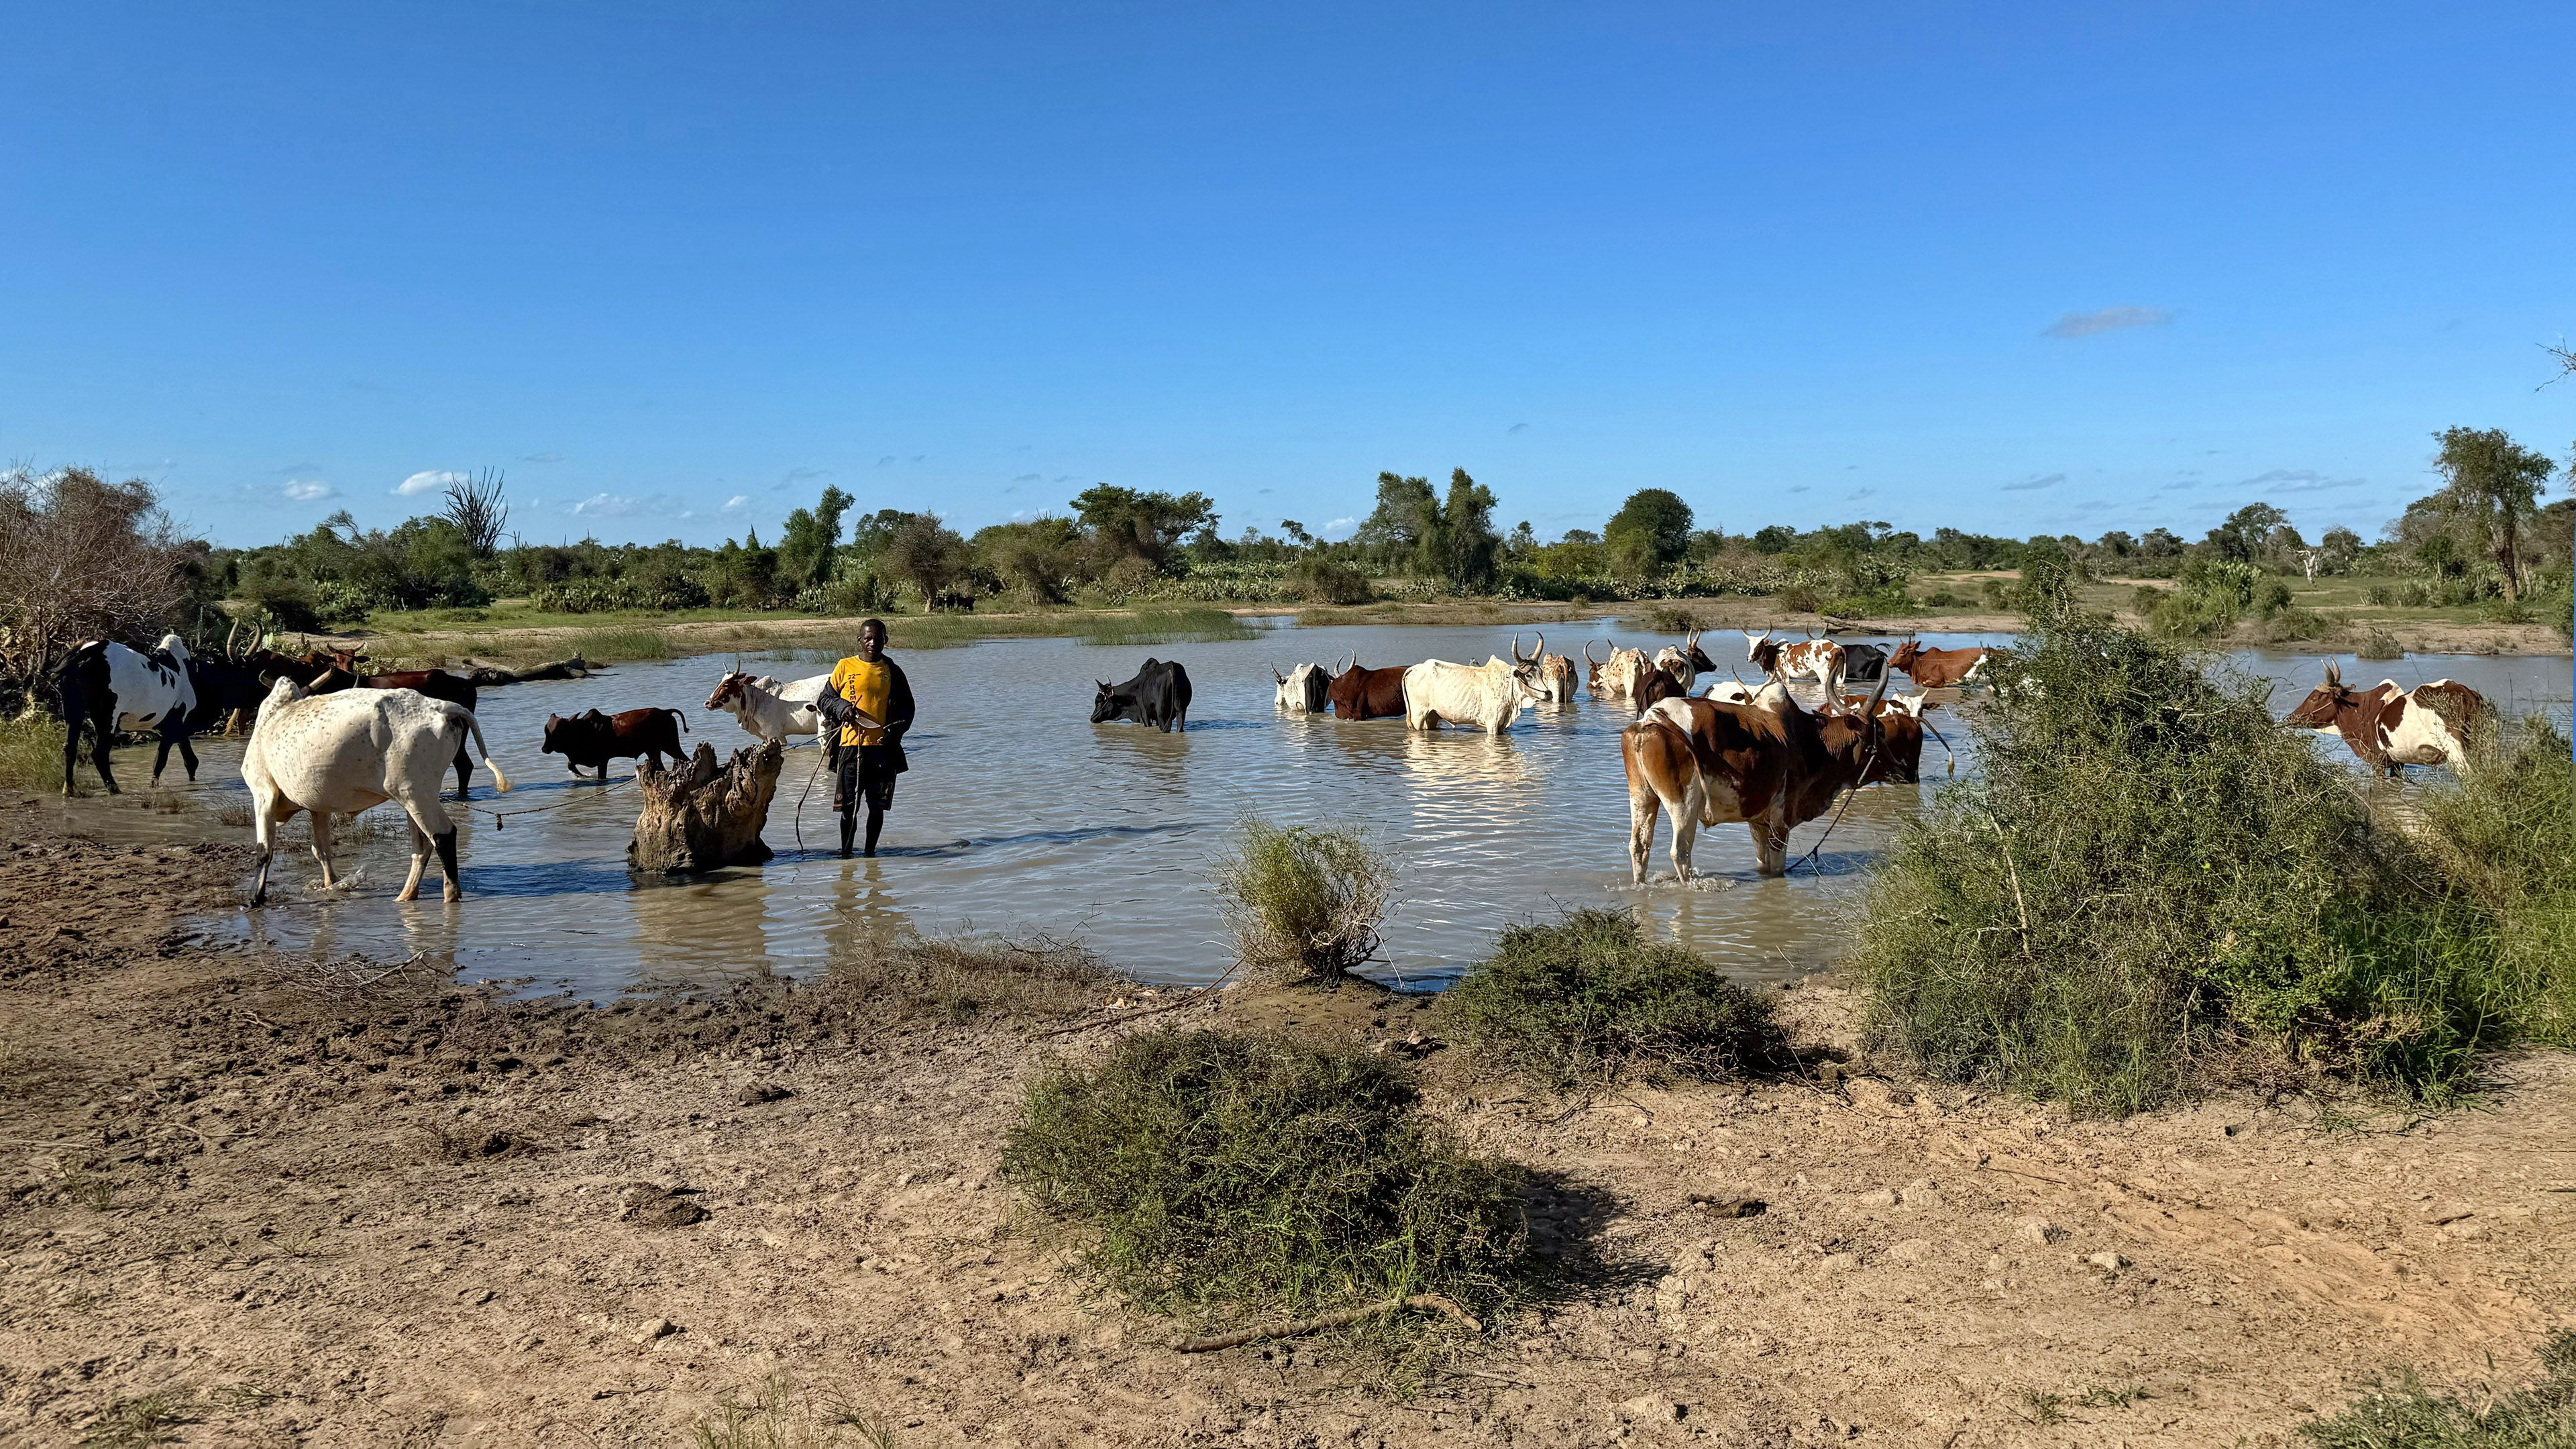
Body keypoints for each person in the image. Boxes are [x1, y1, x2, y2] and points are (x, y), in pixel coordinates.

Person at [819, 618, 915, 857]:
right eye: (868, 638)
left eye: (878, 638)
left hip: (883, 750)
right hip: (851, 748)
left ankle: (870, 856)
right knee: (848, 808)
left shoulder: (893, 671)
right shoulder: (844, 666)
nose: (873, 643)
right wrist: (842, 708)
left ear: (886, 640)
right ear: (859, 641)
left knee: (877, 807)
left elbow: (908, 708)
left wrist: (896, 730)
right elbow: (824, 700)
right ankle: (846, 855)